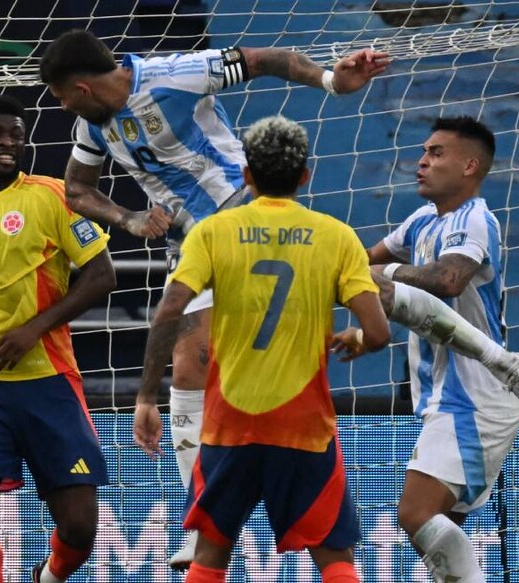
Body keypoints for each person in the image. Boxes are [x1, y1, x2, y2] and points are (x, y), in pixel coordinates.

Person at [39, 29, 390, 567]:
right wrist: (129, 217)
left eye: (62, 96)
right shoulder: (91, 125)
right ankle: (199, 510)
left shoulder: (175, 73)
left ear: (81, 87)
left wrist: (329, 81)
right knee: (188, 363)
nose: (63, 106)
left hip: (247, 213)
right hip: (192, 241)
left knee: (277, 341)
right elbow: (77, 190)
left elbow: (265, 56)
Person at [134, 115, 390, 583]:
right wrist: (354, 338)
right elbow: (378, 332)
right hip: (303, 424)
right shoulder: (337, 237)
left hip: (229, 422)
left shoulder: (212, 232)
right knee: (334, 558)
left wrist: (147, 396)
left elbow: (169, 311)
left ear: (247, 175)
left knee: (210, 554)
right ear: (305, 176)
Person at [0, 94, 116, 583]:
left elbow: (102, 276)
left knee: (80, 526)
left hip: (48, 381)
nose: (9, 142)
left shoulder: (53, 195)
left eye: (17, 133)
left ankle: (48, 578)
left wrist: (33, 329)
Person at [367, 117, 519, 582]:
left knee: (415, 513)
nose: (422, 161)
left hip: (474, 397)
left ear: (470, 165)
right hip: (443, 397)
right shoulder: (422, 221)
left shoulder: (475, 218)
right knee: (443, 534)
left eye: (436, 153)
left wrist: (380, 278)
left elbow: (449, 280)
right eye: (424, 151)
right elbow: (360, 263)